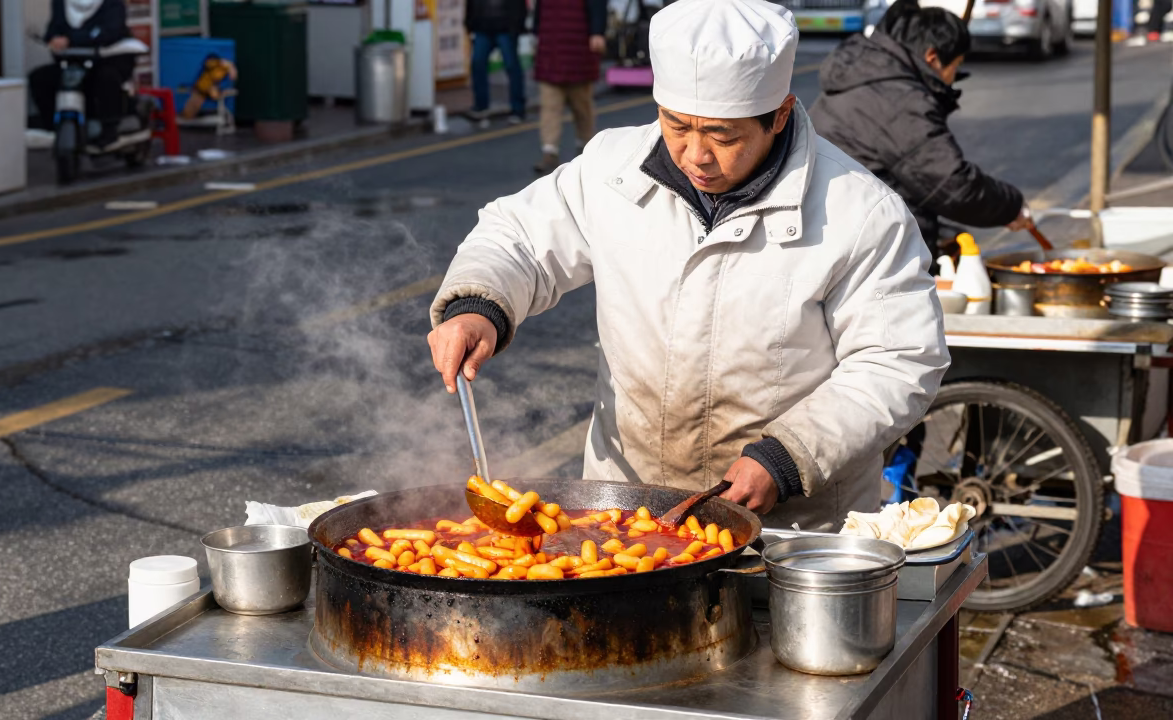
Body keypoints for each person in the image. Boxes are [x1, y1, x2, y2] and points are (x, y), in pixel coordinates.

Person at [426, 0, 949, 530]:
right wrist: (478, 305)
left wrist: (787, 457)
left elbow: (897, 359)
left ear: (780, 115)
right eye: (676, 125)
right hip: (625, 515)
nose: (694, 154)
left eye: (723, 136)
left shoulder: (860, 211)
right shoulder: (611, 169)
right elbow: (519, 237)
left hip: (791, 532)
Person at [809, 0, 1029, 264]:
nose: (953, 77)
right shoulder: (897, 98)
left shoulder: (868, 76)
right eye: (955, 66)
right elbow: (953, 185)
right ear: (932, 57)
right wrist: (1011, 206)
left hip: (844, 231)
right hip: (870, 253)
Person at [28, 0, 134, 147]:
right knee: (39, 78)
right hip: (74, 62)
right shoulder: (61, 3)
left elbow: (110, 32)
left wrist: (71, 39)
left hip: (107, 60)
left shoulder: (112, 3)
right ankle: (53, 128)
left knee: (106, 78)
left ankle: (109, 130)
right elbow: (54, 29)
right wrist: (53, 38)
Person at [531, 0, 608, 174]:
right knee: (550, 107)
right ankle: (549, 151)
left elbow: (598, 7)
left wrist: (597, 32)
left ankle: (585, 147)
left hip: (577, 51)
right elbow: (539, 14)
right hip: (551, 51)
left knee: (581, 107)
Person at [465, 0, 528, 124]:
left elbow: (520, 5)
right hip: (483, 27)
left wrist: (517, 25)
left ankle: (518, 108)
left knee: (511, 66)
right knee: (477, 63)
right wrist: (469, 23)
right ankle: (481, 106)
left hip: (506, 27)